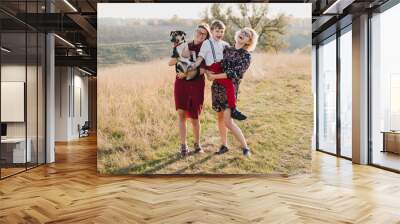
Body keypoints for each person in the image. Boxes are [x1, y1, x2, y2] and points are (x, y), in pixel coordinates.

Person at [206, 27, 259, 156]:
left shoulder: (246, 56)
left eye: (247, 35)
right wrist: (207, 71)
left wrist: (214, 76)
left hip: (229, 90)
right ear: (238, 34)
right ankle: (224, 145)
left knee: (228, 121)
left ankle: (246, 148)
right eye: (242, 32)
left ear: (248, 41)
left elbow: (234, 73)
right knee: (220, 117)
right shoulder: (226, 49)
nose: (243, 34)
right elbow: (214, 62)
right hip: (217, 87)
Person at [189, 20, 247, 121]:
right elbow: (200, 57)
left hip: (222, 68)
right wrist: (193, 66)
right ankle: (233, 109)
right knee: (229, 84)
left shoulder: (225, 44)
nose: (220, 34)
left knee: (230, 84)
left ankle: (232, 106)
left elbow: (232, 54)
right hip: (214, 68)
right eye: (217, 31)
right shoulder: (207, 43)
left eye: (222, 31)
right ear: (211, 31)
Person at [168, 23, 211, 156]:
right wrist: (176, 51)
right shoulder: (183, 44)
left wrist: (186, 73)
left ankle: (197, 145)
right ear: (194, 32)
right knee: (181, 114)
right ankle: (183, 146)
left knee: (194, 117)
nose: (200, 34)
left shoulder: (206, 48)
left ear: (206, 36)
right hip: (181, 84)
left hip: (196, 85)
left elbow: (203, 69)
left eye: (203, 33)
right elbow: (171, 62)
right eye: (198, 31)